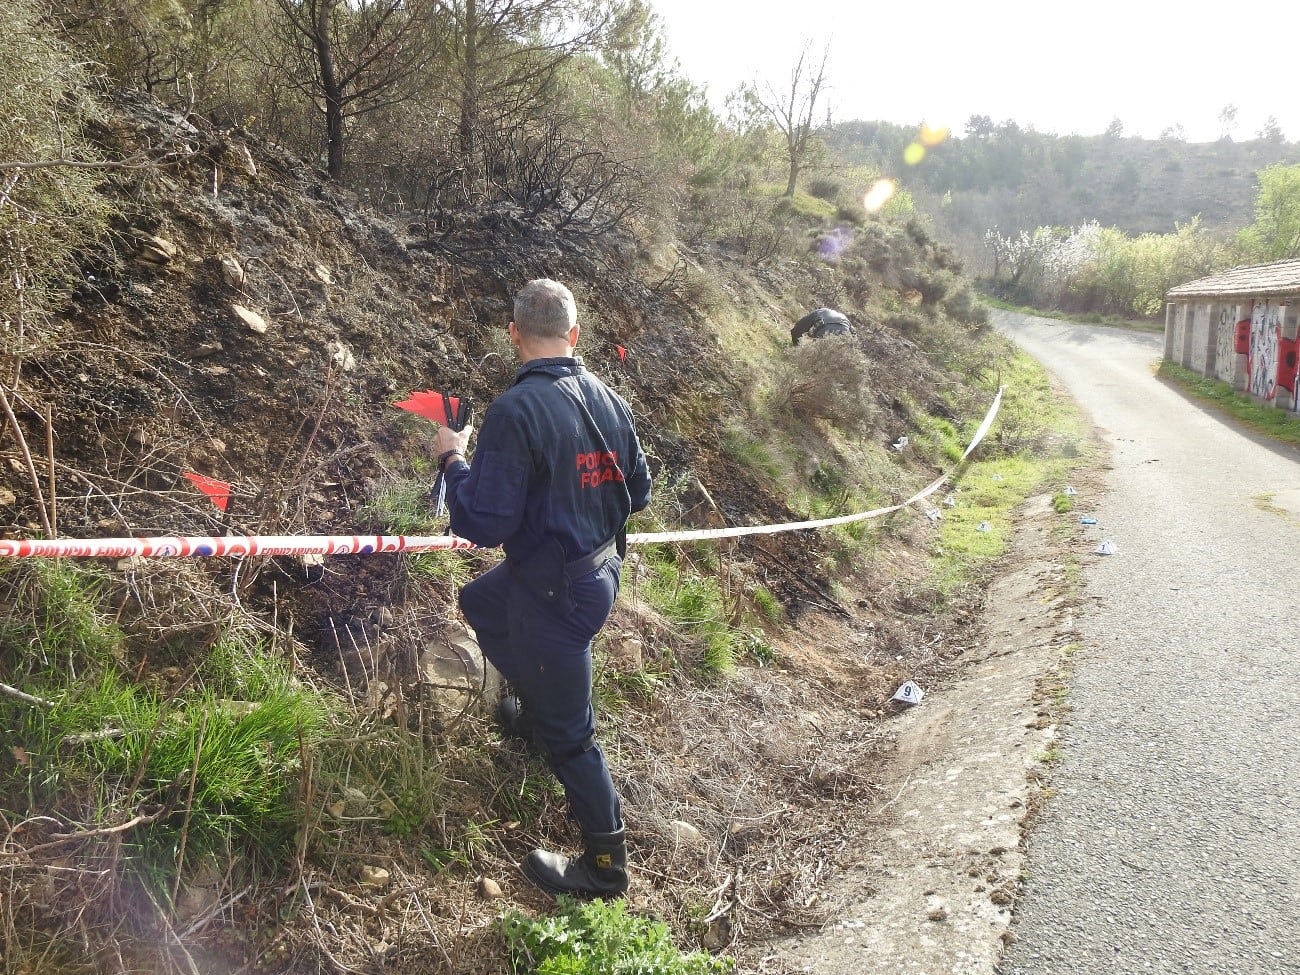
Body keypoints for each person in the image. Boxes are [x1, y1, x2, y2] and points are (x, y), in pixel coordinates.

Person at [433, 278, 652, 898]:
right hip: (597, 572)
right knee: (481, 601)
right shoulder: (608, 397)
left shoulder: (514, 411)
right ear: (574, 335)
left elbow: (482, 523)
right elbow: (638, 493)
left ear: (514, 336)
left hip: (556, 595)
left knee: (573, 736)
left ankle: (605, 868)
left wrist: (453, 460)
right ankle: (534, 708)